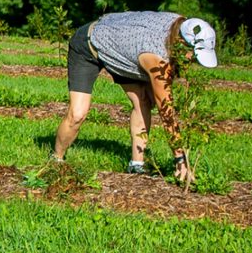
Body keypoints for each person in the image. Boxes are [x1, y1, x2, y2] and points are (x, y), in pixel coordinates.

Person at [51, 11, 218, 181]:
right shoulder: (157, 58)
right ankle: (55, 161)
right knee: (77, 114)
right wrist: (180, 158)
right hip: (89, 45)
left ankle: (136, 165)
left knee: (144, 101)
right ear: (181, 43)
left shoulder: (181, 24)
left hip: (125, 50)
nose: (193, 61)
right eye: (194, 56)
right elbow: (166, 113)